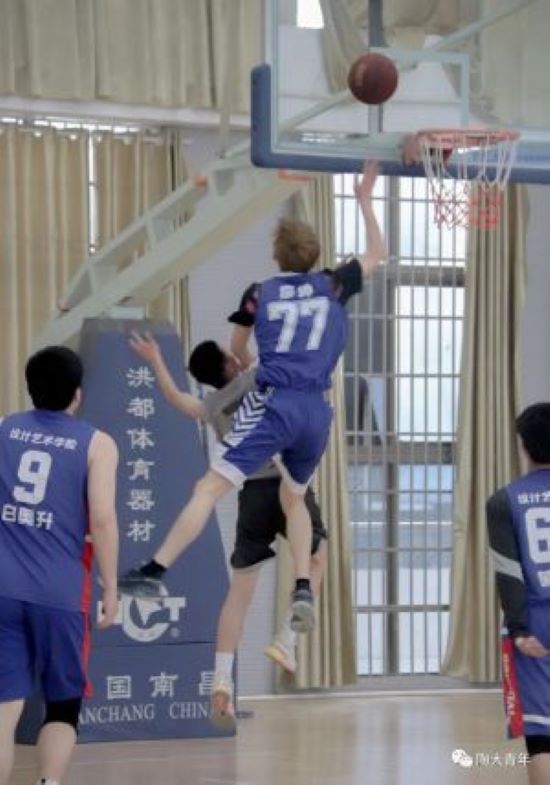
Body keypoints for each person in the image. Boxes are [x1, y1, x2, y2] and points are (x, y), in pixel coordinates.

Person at [119, 161, 384, 643]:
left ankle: (153, 571)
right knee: (295, 497)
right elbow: (377, 253)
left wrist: (249, 359)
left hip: (276, 402)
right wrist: (364, 199)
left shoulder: (259, 295)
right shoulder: (335, 283)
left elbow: (237, 350)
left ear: (277, 258)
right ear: (315, 253)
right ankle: (302, 587)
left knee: (207, 489)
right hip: (317, 410)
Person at [126, 333, 327, 729]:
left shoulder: (211, 405)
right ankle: (286, 641)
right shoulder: (256, 378)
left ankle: (221, 679)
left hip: (251, 494)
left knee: (239, 593)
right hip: (288, 486)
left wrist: (156, 360)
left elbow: (175, 398)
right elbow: (248, 346)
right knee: (316, 559)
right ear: (230, 364)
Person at [0, 347, 119, 785]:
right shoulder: (97, 443)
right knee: (63, 705)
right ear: (77, 393)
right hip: (61, 593)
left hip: (2, 588)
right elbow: (102, 519)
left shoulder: (3, 427)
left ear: (28, 388)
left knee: (4, 707)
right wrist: (111, 587)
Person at [487, 403, 550, 785]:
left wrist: (520, 630)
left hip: (534, 621)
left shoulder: (503, 500)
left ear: (523, 445)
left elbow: (509, 571)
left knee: (542, 735)